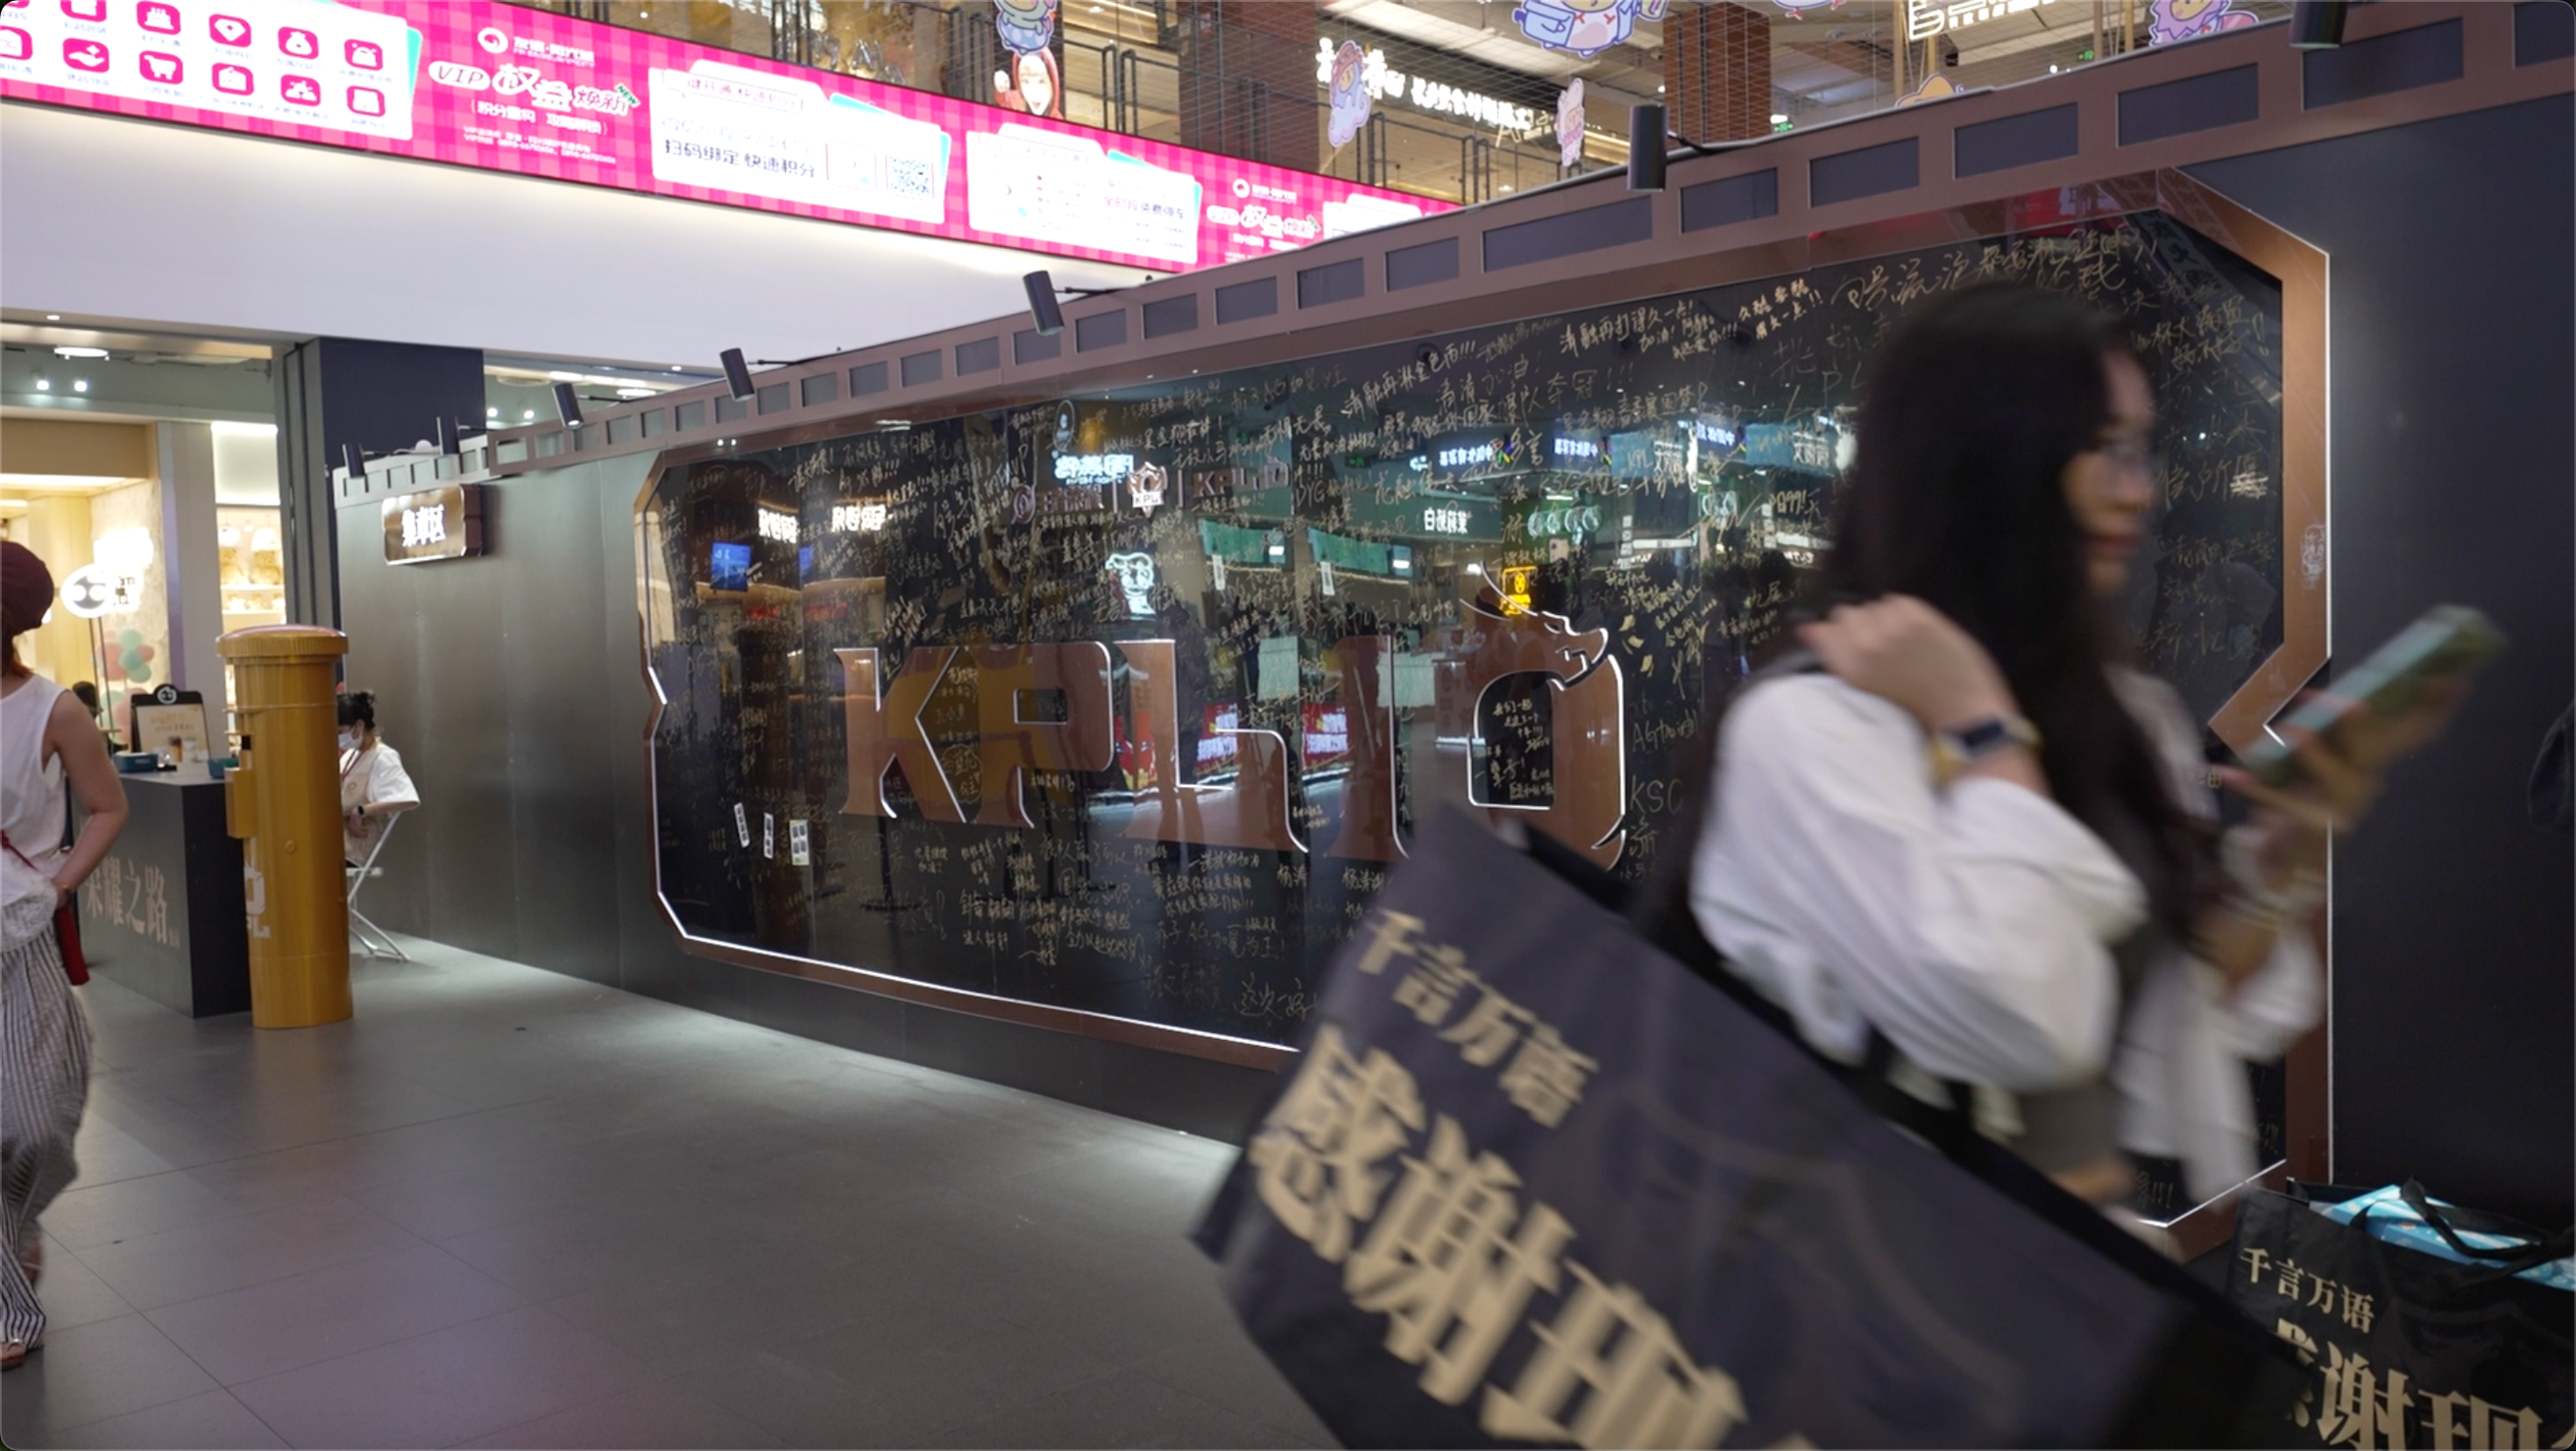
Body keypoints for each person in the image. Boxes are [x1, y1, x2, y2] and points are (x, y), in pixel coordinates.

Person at [1684, 283, 2455, 1219]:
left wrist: (2287, 854)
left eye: (2143, 449)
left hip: (2065, 1283)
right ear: (1986, 465)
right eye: (2103, 451)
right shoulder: (1813, 729)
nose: (2140, 490)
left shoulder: (2119, 709)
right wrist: (1980, 730)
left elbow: (2179, 1009)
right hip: (1873, 1297)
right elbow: (2029, 1019)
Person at [0, 541, 127, 1371]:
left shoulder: (54, 710)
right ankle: (12, 1301)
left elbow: (108, 807)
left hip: (22, 935)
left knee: (35, 1127)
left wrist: (60, 885)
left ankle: (16, 1223)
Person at [338, 690, 418, 867]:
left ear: (359, 726)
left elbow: (406, 799)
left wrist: (361, 811)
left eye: (340, 731)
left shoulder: (383, 756)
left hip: (352, 852)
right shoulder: (350, 754)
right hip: (336, 846)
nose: (338, 738)